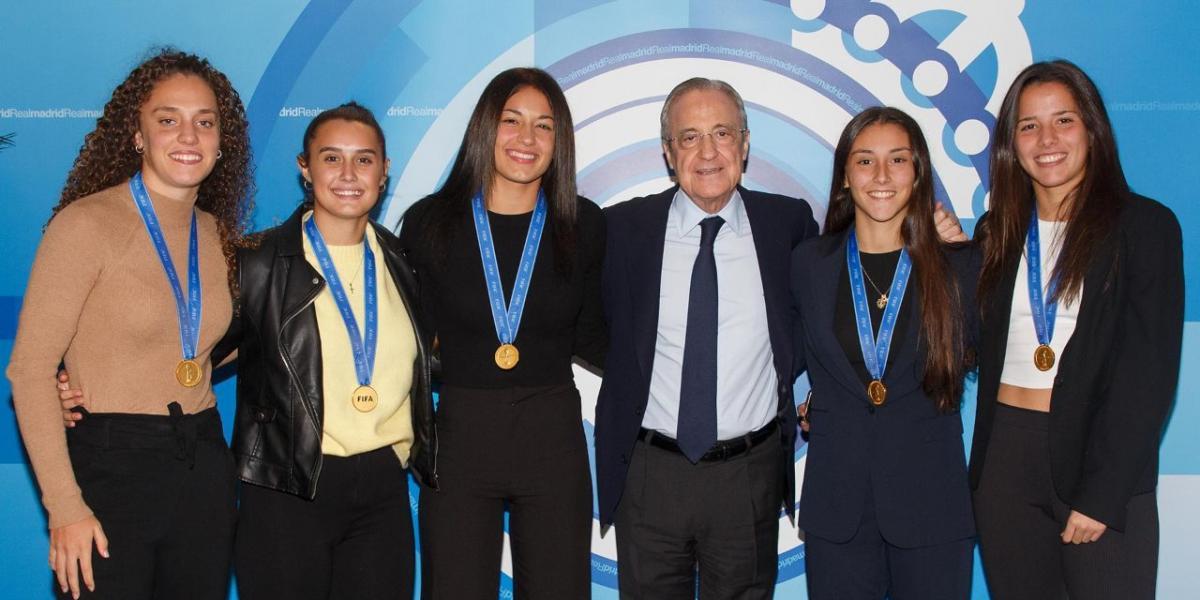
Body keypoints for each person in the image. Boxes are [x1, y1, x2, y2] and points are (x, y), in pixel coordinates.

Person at [7, 49, 253, 599]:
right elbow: (29, 371)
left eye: (204, 122)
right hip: (111, 470)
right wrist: (65, 507)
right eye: (167, 120)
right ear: (137, 134)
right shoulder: (85, 224)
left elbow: (206, 347)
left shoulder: (218, 237)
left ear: (221, 140)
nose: (188, 136)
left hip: (203, 464)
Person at [969, 60, 1183, 599]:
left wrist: (1103, 494)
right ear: (1010, 143)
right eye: (1028, 125)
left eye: (1063, 120)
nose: (1047, 139)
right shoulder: (996, 232)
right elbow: (965, 341)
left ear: (1092, 128)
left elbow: (1149, 374)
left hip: (1099, 458)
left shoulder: (1146, 227)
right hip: (1006, 464)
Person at [595, 77, 814, 598]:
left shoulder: (789, 224)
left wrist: (931, 238)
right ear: (669, 154)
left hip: (748, 474)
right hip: (650, 474)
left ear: (744, 143)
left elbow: (836, 301)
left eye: (722, 132)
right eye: (689, 137)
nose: (709, 152)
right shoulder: (620, 230)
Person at [398, 67, 605, 599]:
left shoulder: (583, 224)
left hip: (552, 438)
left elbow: (597, 336)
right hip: (462, 437)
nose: (527, 139)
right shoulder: (428, 223)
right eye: (512, 121)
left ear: (560, 142)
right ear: (485, 127)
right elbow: (409, 343)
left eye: (544, 125)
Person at [222, 102, 436, 599]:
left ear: (384, 171)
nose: (347, 174)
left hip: (382, 488)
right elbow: (189, 354)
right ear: (305, 168)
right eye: (330, 158)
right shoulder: (256, 263)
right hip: (286, 487)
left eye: (364, 160)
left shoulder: (404, 261)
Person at [790, 107, 976, 599]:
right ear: (845, 178)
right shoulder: (809, 263)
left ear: (918, 174)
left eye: (898, 160)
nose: (881, 176)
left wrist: (956, 253)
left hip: (931, 500)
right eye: (865, 161)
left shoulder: (959, 266)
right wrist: (811, 404)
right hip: (838, 504)